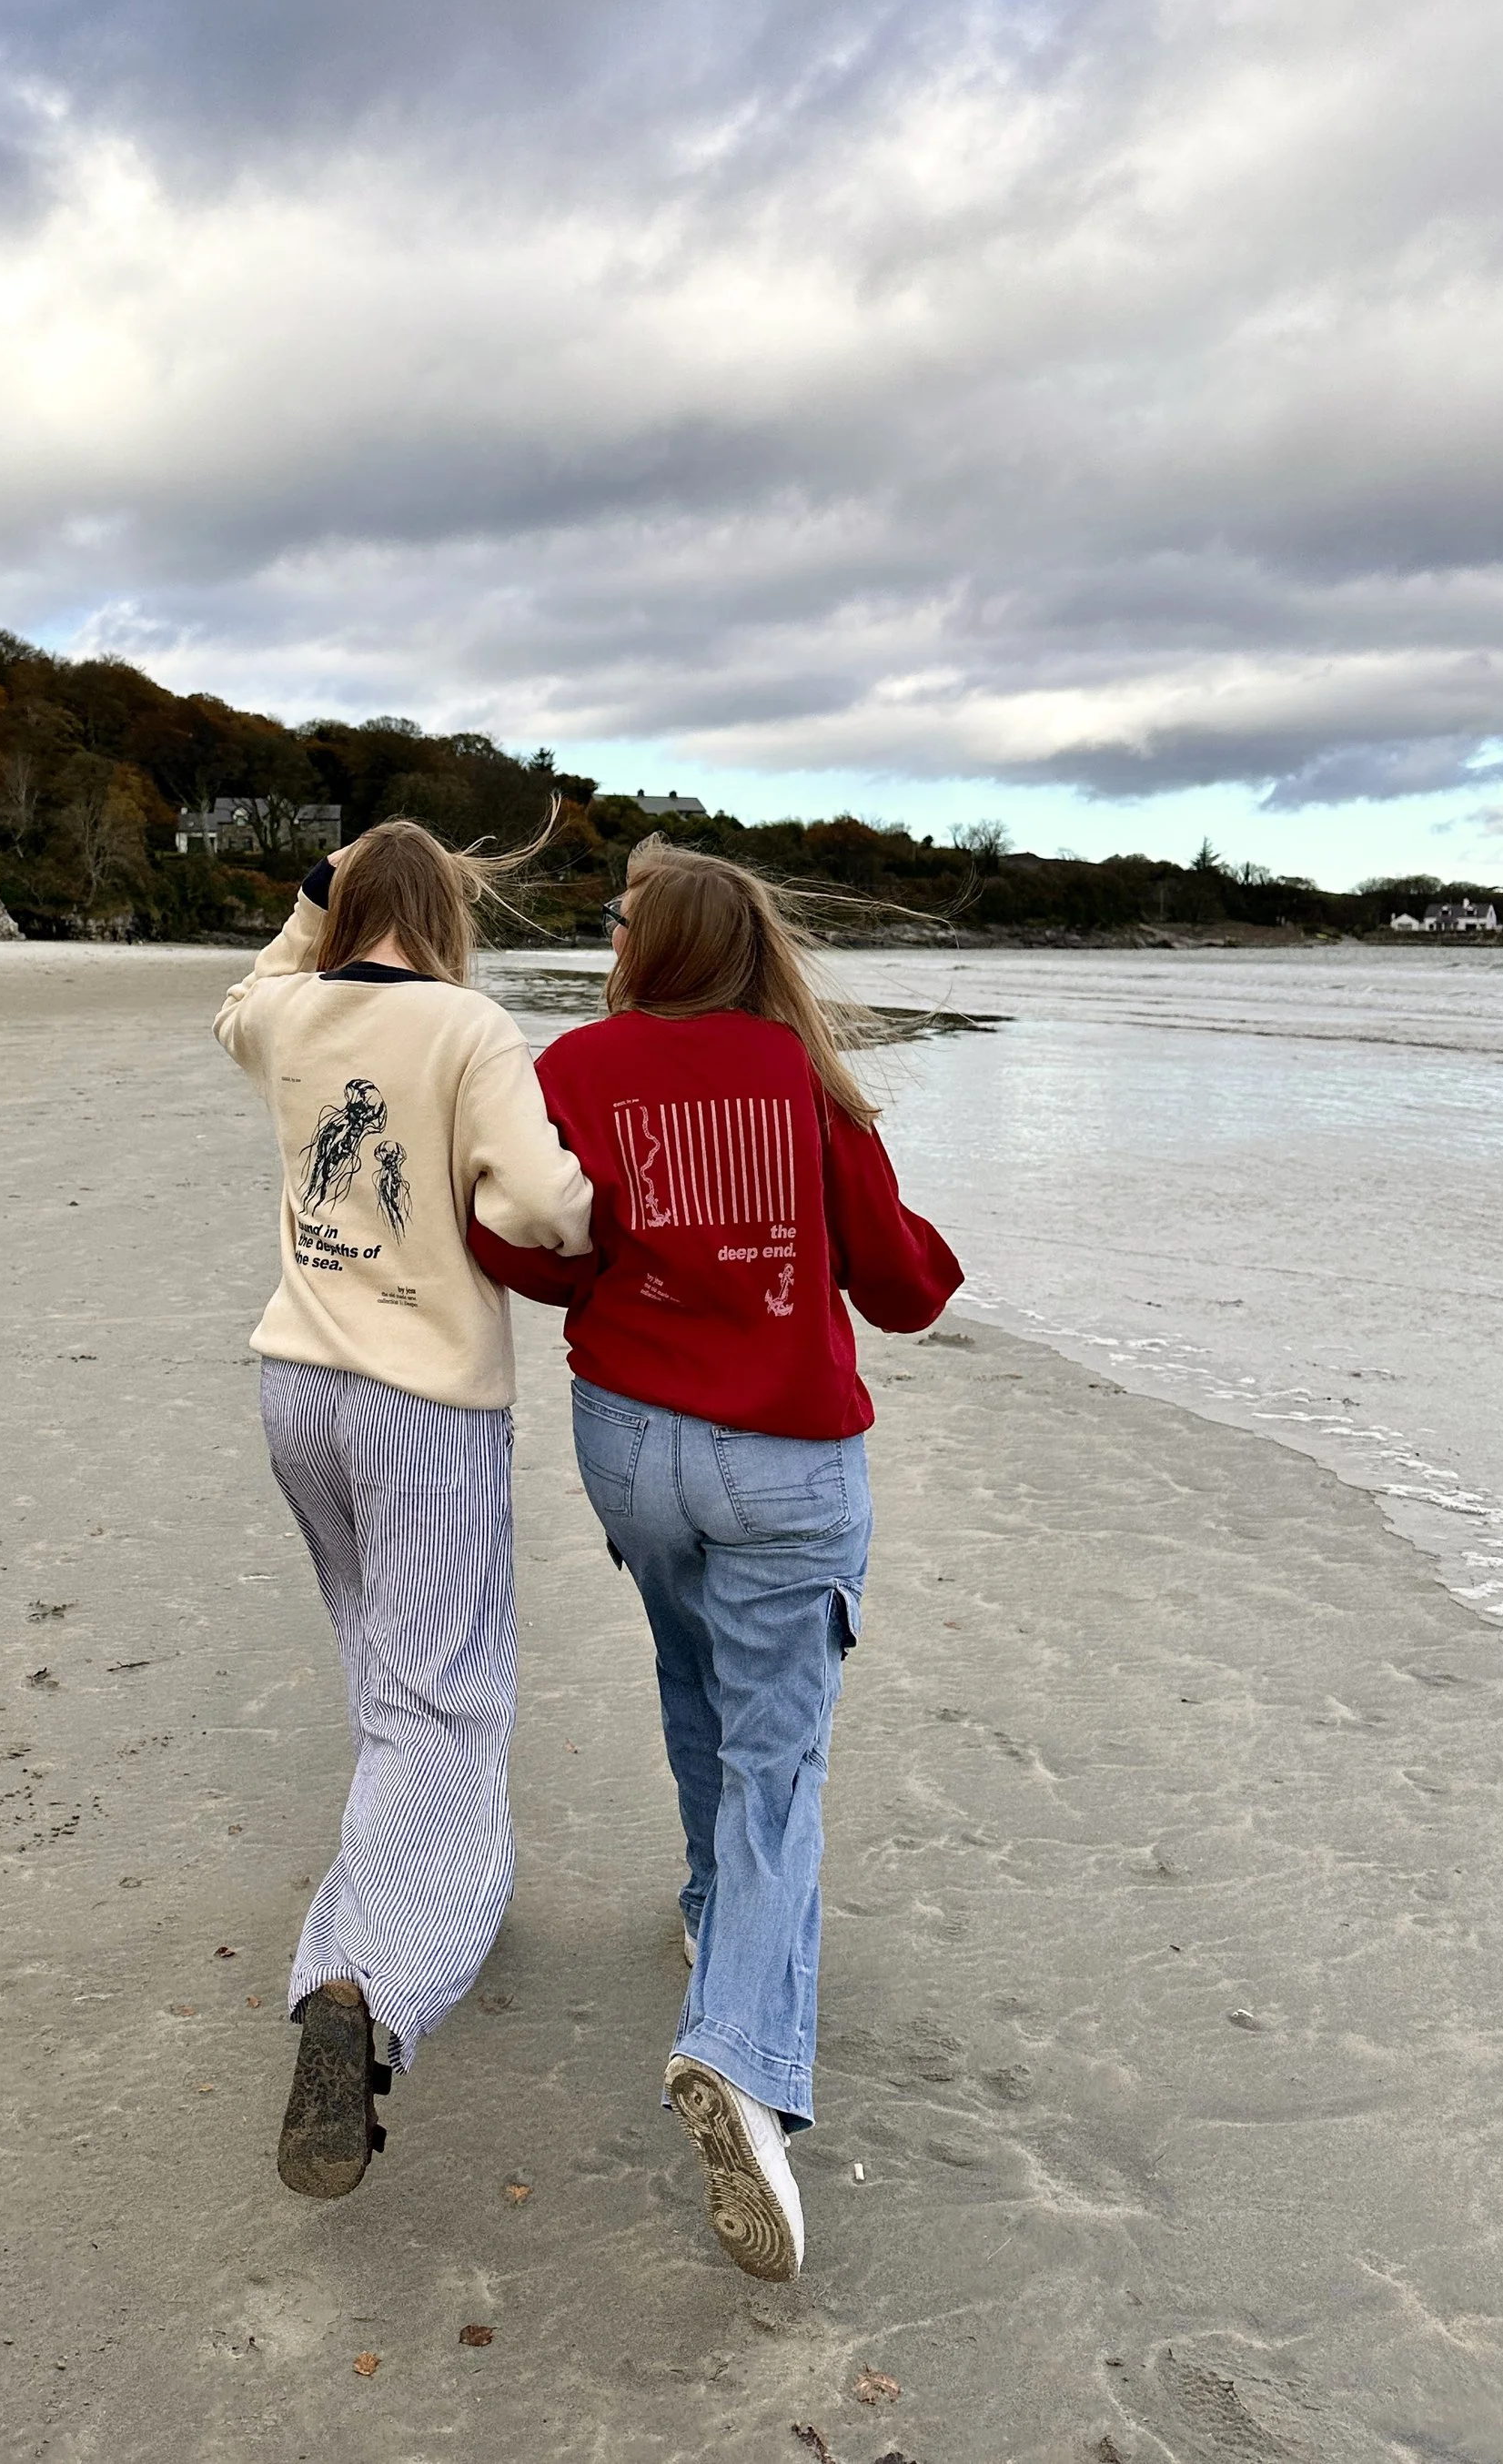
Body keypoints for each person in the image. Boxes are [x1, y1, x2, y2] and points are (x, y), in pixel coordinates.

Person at [471, 843, 961, 2282]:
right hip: (782, 1458)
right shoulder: (801, 1075)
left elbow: (546, 1256)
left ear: (646, 944)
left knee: (695, 1679)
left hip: (629, 1445)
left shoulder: (577, 1067)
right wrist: (921, 1246)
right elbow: (903, 1287)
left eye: (618, 917)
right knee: (780, 1751)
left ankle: (709, 1921)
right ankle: (742, 2058)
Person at [216, 816, 594, 2199]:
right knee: (439, 1695)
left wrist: (310, 907)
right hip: (422, 1401)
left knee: (385, 1667)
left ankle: (428, 1899)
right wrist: (604, 1219)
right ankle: (361, 1987)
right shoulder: (467, 1028)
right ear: (442, 910)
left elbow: (239, 1000)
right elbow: (545, 1202)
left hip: (296, 1384)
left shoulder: (289, 1012)